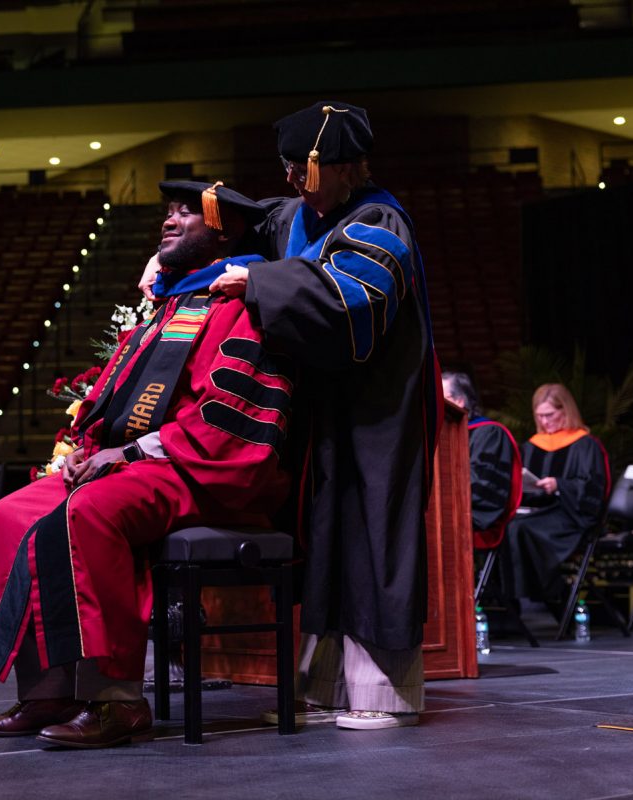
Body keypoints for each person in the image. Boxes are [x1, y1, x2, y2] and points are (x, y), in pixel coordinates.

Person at [0, 181, 293, 749]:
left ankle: (116, 700)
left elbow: (226, 419)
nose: (169, 222)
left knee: (89, 514)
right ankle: (50, 689)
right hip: (130, 467)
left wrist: (124, 453)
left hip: (198, 470)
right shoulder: (169, 308)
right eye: (168, 212)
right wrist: (86, 446)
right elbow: (114, 399)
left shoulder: (242, 308)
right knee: (4, 517)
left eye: (186, 214)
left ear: (224, 231)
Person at [141, 103, 439, 730]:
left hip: (375, 411)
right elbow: (232, 222)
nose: (292, 178)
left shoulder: (380, 221)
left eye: (306, 167)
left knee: (372, 539)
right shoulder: (296, 218)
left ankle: (384, 692)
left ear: (347, 168)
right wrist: (163, 261)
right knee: (327, 542)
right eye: (288, 166)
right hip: (321, 416)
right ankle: (327, 685)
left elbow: (346, 304)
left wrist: (258, 284)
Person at [504, 383, 608, 603]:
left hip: (570, 516)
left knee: (520, 529)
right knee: (507, 527)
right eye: (539, 416)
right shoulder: (531, 446)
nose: (544, 421)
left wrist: (559, 485)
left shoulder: (585, 444)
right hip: (538, 512)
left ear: (565, 411)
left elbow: (593, 490)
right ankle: (509, 607)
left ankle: (554, 595)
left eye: (549, 414)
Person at [442, 371, 522, 550]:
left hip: (472, 516)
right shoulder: (439, 436)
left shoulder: (489, 434)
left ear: (459, 401)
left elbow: (483, 488)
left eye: (440, 398)